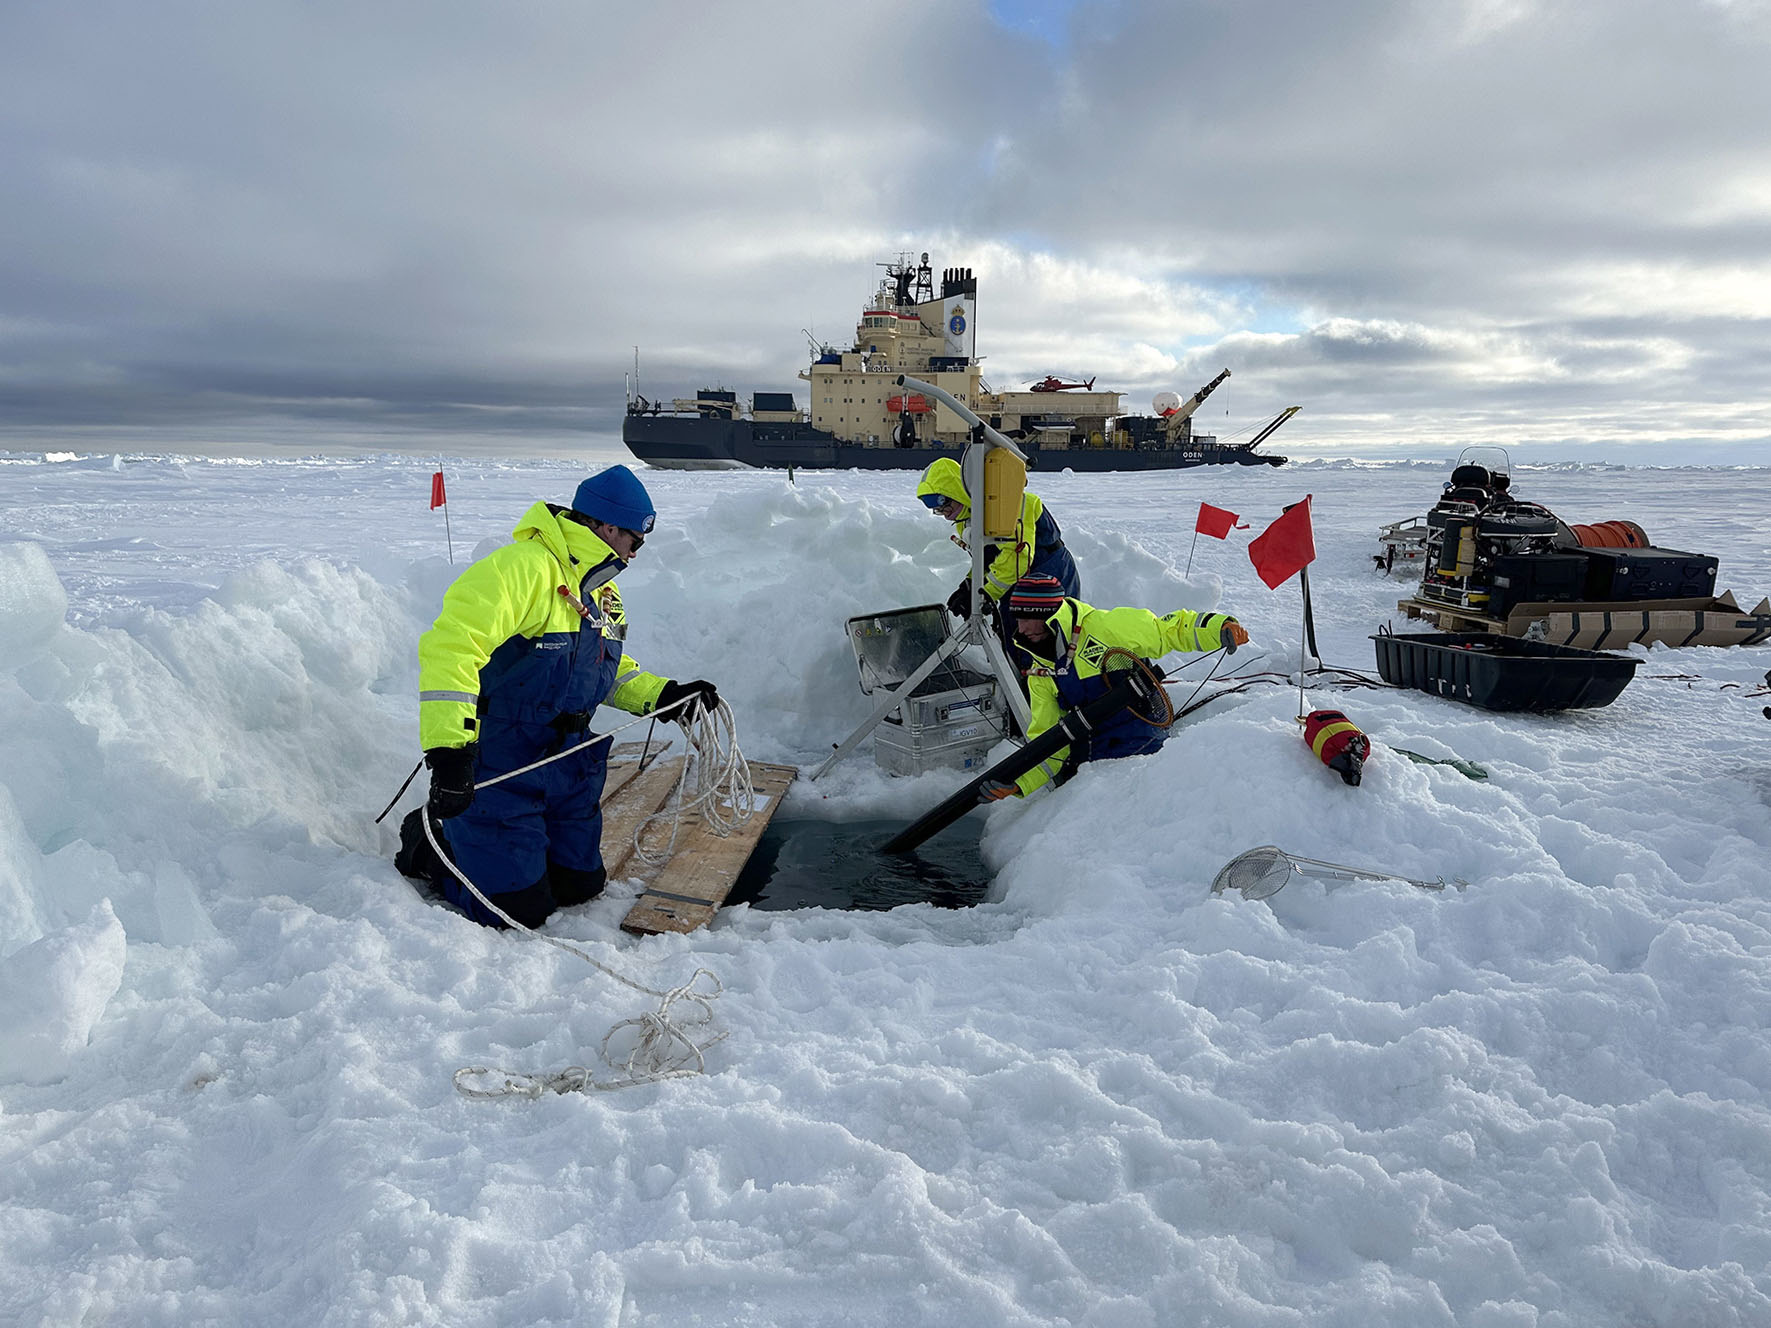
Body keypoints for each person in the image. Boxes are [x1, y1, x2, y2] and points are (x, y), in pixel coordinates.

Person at [400, 464, 721, 928]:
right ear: (608, 527)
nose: (637, 553)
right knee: (517, 911)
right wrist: (449, 750)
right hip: (506, 760)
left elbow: (602, 671)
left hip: (569, 763)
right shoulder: (522, 568)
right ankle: (430, 845)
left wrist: (664, 696)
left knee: (579, 887)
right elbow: (451, 649)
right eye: (636, 540)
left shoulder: (602, 592)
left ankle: (516, 856)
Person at [980, 573, 1249, 801]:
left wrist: (1217, 627)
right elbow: (1049, 740)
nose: (1021, 628)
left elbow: (1168, 630)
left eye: (1028, 618)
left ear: (1050, 615)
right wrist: (1018, 784)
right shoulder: (1040, 672)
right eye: (1017, 618)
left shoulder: (1106, 627)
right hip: (1093, 768)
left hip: (1144, 755)